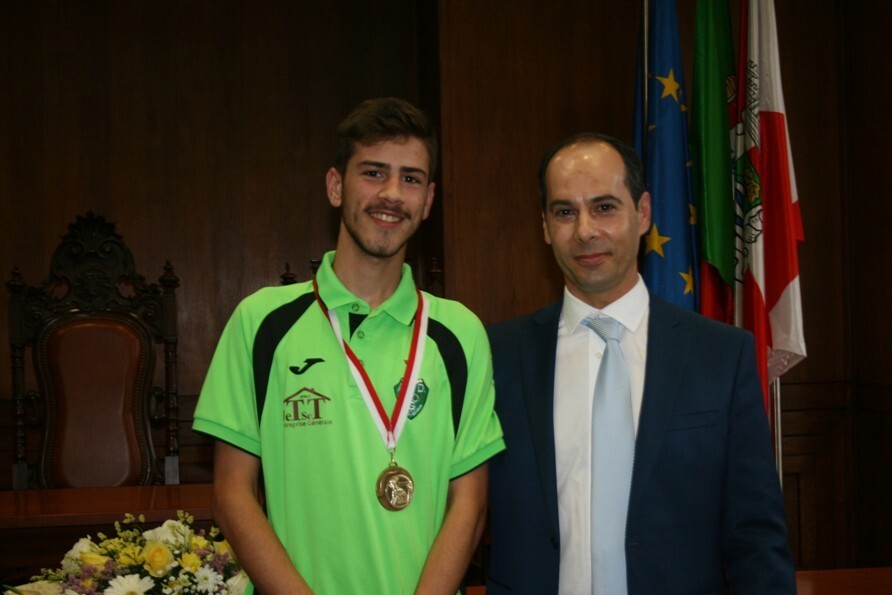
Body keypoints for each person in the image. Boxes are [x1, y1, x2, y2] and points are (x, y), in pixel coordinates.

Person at [194, 97, 505, 594]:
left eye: (410, 178)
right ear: (336, 186)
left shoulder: (460, 333)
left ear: (428, 200)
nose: (392, 194)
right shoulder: (262, 322)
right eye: (374, 173)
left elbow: (468, 506)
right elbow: (233, 496)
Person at [486, 132, 795, 594]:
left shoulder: (720, 356)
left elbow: (756, 537)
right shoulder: (496, 355)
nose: (585, 230)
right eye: (565, 212)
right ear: (545, 227)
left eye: (604, 207)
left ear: (643, 212)